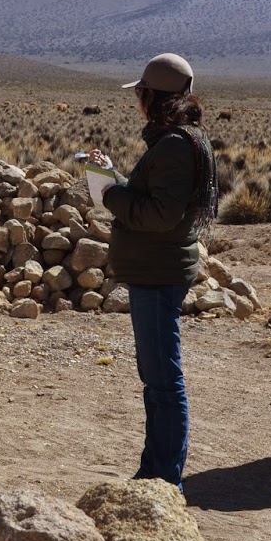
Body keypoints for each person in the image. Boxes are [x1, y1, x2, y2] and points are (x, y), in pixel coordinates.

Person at [90, 53, 217, 489]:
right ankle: (155, 471)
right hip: (159, 266)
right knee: (158, 377)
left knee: (163, 380)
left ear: (153, 97)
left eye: (141, 93)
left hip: (158, 271)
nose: (137, 102)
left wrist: (109, 194)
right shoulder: (180, 141)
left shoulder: (176, 145)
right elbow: (162, 201)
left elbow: (160, 215)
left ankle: (164, 478)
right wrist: (118, 183)